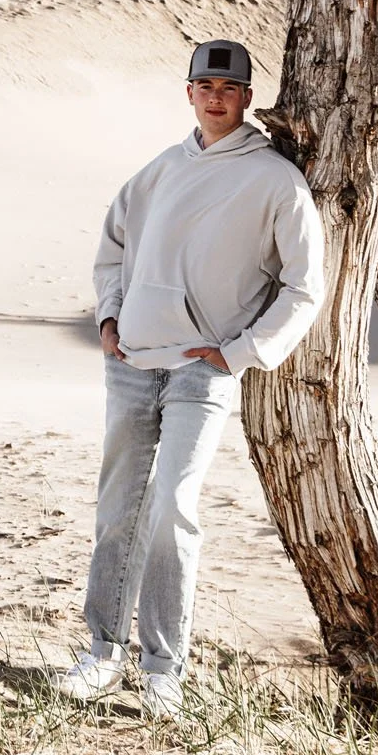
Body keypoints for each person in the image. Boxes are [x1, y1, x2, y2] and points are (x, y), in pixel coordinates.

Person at [54, 39, 325, 719]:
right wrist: (109, 318)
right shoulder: (157, 171)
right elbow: (111, 249)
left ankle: (164, 670)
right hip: (132, 364)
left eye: (228, 89)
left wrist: (242, 353)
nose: (215, 98)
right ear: (188, 93)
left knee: (174, 509)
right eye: (204, 85)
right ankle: (101, 654)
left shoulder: (275, 181)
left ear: (246, 99)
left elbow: (305, 288)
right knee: (117, 509)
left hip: (202, 372)